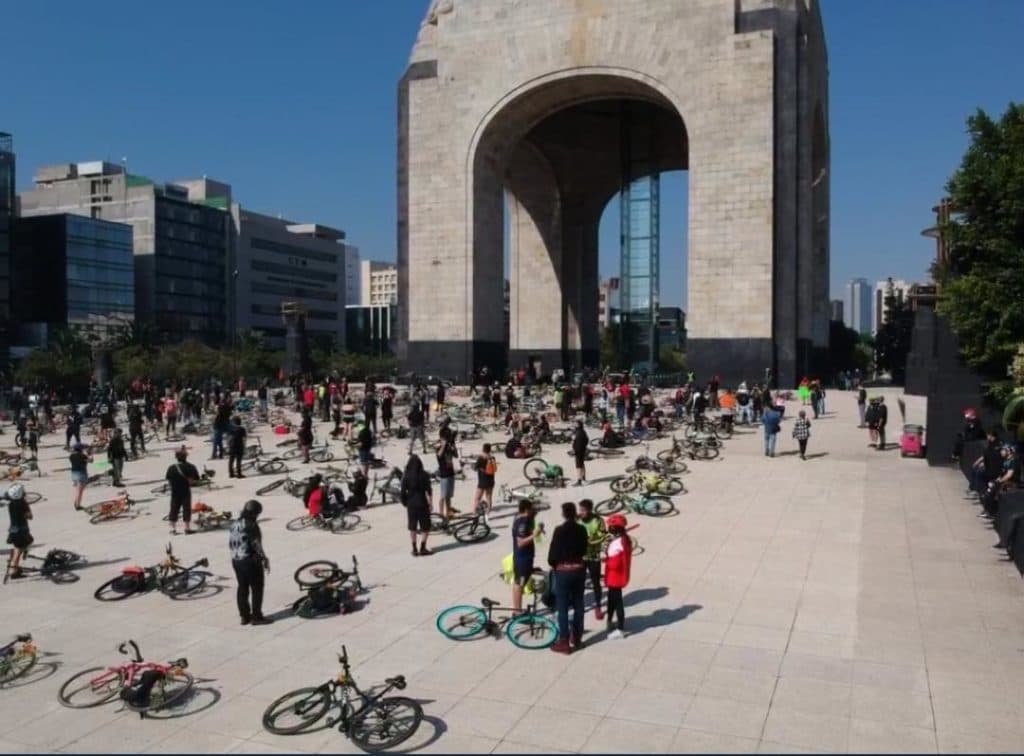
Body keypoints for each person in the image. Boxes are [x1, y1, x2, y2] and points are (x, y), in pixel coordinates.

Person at [547, 501, 588, 653]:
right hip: (579, 570)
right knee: (579, 604)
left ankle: (564, 640)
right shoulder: (582, 529)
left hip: (563, 571)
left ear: (564, 514)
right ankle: (577, 637)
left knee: (562, 606)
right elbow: (584, 548)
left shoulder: (559, 530)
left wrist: (554, 565)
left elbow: (553, 554)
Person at [229, 500, 270, 625]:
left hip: (236, 560)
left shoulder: (235, 523)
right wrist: (264, 558)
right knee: (257, 588)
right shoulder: (251, 525)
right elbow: (256, 543)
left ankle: (244, 616)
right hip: (250, 560)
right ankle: (257, 616)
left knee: (242, 587)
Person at [603, 513, 633, 639]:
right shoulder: (623, 539)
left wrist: (605, 560)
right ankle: (609, 620)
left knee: (617, 601)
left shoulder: (619, 543)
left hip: (615, 576)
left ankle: (620, 628)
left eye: (611, 526)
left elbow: (614, 562)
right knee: (611, 599)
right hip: (615, 576)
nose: (609, 528)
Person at [511, 499, 543, 612]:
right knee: (519, 583)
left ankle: (516, 609)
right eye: (531, 509)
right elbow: (521, 543)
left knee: (519, 582)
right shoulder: (523, 523)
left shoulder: (519, 517)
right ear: (527, 509)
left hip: (523, 557)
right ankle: (517, 611)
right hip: (522, 558)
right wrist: (534, 535)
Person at [579, 499, 607, 621]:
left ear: (590, 510)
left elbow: (604, 535)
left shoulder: (598, 520)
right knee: (579, 582)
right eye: (580, 510)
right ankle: (579, 604)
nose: (581, 513)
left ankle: (598, 606)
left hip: (593, 556)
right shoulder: (577, 519)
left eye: (584, 511)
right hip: (579, 556)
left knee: (596, 582)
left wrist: (592, 541)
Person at [401, 454, 433, 556]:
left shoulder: (406, 475)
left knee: (412, 527)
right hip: (422, 502)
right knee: (425, 526)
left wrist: (405, 502)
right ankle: (423, 547)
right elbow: (429, 491)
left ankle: (414, 548)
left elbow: (402, 492)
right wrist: (430, 503)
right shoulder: (424, 475)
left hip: (411, 503)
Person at [166, 446, 200, 535]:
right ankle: (187, 528)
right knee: (186, 508)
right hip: (185, 490)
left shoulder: (171, 468)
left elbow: (168, 479)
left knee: (174, 508)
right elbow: (196, 479)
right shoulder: (191, 467)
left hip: (175, 491)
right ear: (186, 457)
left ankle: (173, 529)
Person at [5, 484, 33, 579]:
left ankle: (15, 564)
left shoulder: (11, 504)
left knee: (19, 547)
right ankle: (14, 570)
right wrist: (27, 508)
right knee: (20, 547)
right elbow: (30, 516)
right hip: (21, 531)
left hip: (13, 530)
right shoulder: (23, 504)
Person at [436, 429, 458, 518]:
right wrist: (443, 445)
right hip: (444, 474)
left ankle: (448, 512)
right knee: (443, 495)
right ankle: (441, 514)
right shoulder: (439, 446)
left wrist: (453, 445)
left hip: (450, 472)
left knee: (448, 496)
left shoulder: (449, 445)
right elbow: (439, 455)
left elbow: (456, 455)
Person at [473, 443, 498, 521]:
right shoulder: (492, 458)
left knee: (477, 498)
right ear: (490, 449)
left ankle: (475, 514)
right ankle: (487, 515)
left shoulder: (481, 458)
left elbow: (475, 468)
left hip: (482, 481)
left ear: (483, 449)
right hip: (491, 480)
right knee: (489, 497)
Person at [69, 442, 92, 511]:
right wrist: (89, 454)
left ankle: (77, 502)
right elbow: (91, 460)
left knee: (78, 489)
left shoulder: (71, 456)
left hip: (74, 473)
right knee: (80, 491)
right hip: (81, 473)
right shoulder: (82, 456)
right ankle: (77, 505)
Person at [571, 420, 589, 486]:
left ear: (578, 425)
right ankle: (583, 478)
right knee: (582, 464)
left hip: (579, 451)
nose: (574, 425)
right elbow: (587, 440)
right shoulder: (582, 431)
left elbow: (577, 443)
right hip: (582, 450)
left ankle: (579, 480)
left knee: (578, 466)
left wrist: (575, 451)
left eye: (575, 424)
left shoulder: (578, 433)